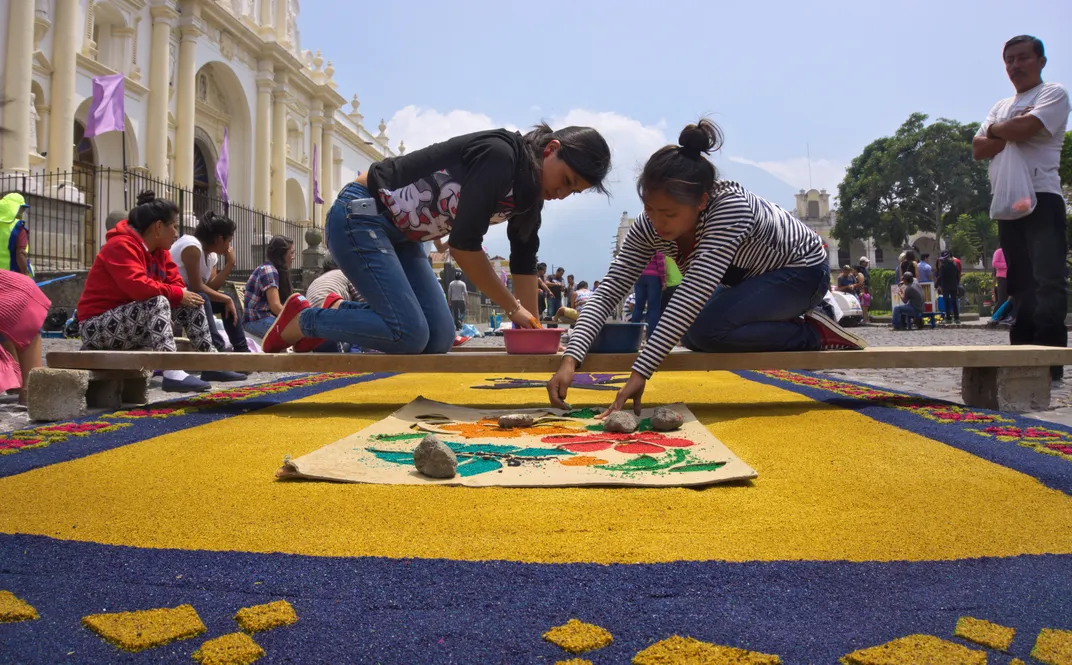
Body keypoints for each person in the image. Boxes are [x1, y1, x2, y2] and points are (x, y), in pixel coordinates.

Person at [548, 119, 865, 416]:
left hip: (804, 271)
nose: (657, 223)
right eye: (650, 210)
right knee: (697, 334)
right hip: (752, 279)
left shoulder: (728, 207)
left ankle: (813, 332)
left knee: (704, 329)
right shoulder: (649, 226)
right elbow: (608, 293)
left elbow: (691, 294)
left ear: (701, 202)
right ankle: (791, 320)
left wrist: (641, 371)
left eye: (670, 215)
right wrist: (570, 358)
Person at [260, 123, 612, 354]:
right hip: (361, 216)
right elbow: (463, 245)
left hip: (404, 238)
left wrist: (535, 338)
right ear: (550, 149)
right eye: (565, 180)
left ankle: (335, 308)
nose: (562, 194)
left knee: (439, 338)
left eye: (574, 191)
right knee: (409, 334)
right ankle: (304, 320)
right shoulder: (501, 156)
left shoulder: (528, 197)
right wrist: (513, 308)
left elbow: (523, 262)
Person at [973, 35, 1070, 380]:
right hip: (1009, 203)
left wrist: (998, 131)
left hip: (1042, 196)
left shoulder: (1053, 94)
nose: (1015, 66)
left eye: (1022, 58)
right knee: (1020, 283)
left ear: (1041, 61)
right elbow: (979, 148)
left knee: (1048, 279)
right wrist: (1007, 129)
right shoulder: (1001, 105)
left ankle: (1048, 359)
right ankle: (1021, 352)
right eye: (1009, 60)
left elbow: (1028, 127)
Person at [76, 191, 216, 393]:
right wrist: (173, 297)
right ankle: (172, 372)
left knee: (193, 299)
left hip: (130, 323)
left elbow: (176, 282)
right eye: (174, 227)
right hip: (96, 328)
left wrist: (178, 297)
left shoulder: (161, 252)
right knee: (158, 300)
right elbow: (139, 287)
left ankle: (210, 362)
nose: (177, 234)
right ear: (158, 227)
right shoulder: (120, 246)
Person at [170, 211, 248, 381]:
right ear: (219, 239)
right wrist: (225, 298)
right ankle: (216, 357)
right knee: (207, 298)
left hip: (192, 300)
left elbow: (211, 286)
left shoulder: (211, 255)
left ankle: (243, 355)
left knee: (227, 300)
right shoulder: (192, 246)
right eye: (228, 241)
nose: (229, 246)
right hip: (173, 298)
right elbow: (198, 287)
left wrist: (229, 264)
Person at [0, 269, 49, 404]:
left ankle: (27, 385)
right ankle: (31, 386)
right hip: (18, 289)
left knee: (20, 321)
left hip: (16, 289)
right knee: (25, 315)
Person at [243, 236, 295, 339]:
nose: (293, 257)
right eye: (291, 253)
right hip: (256, 321)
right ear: (282, 254)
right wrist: (296, 319)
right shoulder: (269, 270)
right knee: (291, 334)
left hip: (266, 318)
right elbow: (275, 306)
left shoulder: (275, 270)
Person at [630, 251, 666, 338]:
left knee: (638, 307)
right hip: (653, 278)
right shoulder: (657, 244)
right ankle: (651, 337)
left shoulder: (638, 245)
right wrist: (663, 280)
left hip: (639, 277)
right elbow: (660, 262)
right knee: (653, 308)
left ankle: (633, 336)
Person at [0, 193, 33, 277]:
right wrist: (25, 274)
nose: (23, 211)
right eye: (22, 208)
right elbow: (21, 252)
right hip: (11, 277)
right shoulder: (17, 227)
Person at [937, 250, 961, 324]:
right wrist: (957, 284)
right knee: (954, 301)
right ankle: (956, 318)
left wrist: (936, 284)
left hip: (946, 286)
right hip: (953, 285)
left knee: (946, 301)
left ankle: (948, 318)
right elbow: (957, 276)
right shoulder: (954, 264)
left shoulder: (943, 266)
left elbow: (940, 276)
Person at [992, 246, 1012, 322]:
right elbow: (995, 263)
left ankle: (1005, 316)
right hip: (1002, 278)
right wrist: (1006, 265)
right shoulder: (999, 252)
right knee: (1002, 298)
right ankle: (994, 316)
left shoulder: (1011, 251)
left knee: (1011, 299)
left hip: (1011, 277)